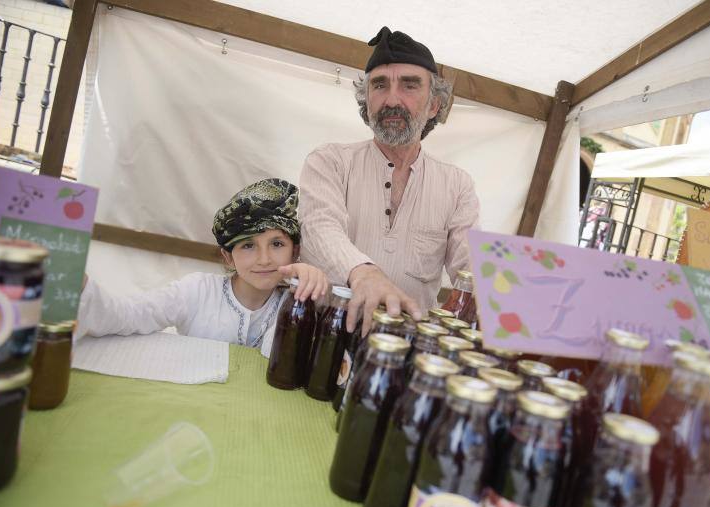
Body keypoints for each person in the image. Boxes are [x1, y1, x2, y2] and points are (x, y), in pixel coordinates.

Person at [298, 26, 480, 336]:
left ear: (435, 105)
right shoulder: (329, 161)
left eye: (409, 86)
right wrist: (364, 273)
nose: (391, 99)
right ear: (366, 102)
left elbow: (472, 269)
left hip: (404, 351)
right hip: (324, 336)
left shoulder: (457, 185)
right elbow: (319, 227)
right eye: (379, 86)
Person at [76, 179, 329, 355]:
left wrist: (304, 295)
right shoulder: (197, 291)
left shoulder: (298, 305)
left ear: (295, 252)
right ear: (228, 257)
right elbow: (130, 314)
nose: (264, 259)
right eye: (248, 246)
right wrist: (81, 287)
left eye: (276, 243)